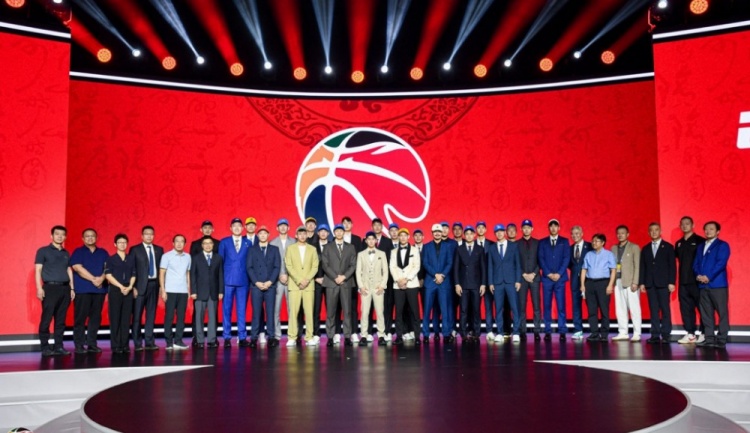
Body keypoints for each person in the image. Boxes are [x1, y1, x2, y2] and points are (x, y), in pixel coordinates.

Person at [35, 225, 75, 356]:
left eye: (62, 234)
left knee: (61, 320)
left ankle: (58, 346)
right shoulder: (43, 251)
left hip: (65, 288)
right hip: (50, 288)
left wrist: (72, 288)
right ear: (51, 236)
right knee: (46, 319)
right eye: (57, 234)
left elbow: (69, 270)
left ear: (65, 237)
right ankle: (45, 347)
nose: (59, 236)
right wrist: (39, 288)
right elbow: (38, 270)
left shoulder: (66, 253)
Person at [70, 228, 108, 354]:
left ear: (96, 238)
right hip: (83, 290)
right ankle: (79, 345)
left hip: (99, 290)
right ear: (83, 238)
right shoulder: (78, 251)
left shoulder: (103, 252)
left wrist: (101, 278)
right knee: (80, 318)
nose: (90, 238)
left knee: (95, 318)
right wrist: (94, 279)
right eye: (87, 236)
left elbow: (108, 268)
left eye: (92, 236)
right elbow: (77, 267)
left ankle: (92, 344)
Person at [693, 221, 731, 349]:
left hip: (717, 285)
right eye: (706, 229)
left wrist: (708, 277)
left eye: (711, 229)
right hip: (703, 286)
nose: (708, 231)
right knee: (706, 314)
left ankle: (721, 339)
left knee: (722, 312)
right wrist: (698, 275)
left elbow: (721, 263)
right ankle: (709, 338)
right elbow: (696, 263)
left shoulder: (722, 245)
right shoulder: (700, 246)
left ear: (717, 231)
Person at [639, 222, 676, 344]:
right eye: (651, 230)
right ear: (648, 232)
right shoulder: (645, 248)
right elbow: (643, 267)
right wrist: (642, 283)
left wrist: (671, 282)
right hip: (650, 284)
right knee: (653, 310)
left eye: (656, 230)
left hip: (664, 283)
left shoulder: (668, 247)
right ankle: (655, 334)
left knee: (665, 309)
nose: (654, 232)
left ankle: (666, 334)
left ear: (661, 231)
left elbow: (672, 266)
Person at [218, 218, 252, 347]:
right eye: (234, 226)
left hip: (243, 281)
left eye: (239, 226)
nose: (237, 228)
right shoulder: (224, 242)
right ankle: (227, 337)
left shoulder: (248, 242)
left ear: (243, 228)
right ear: (230, 228)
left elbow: (250, 262)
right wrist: (221, 282)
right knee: (226, 310)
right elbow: (220, 263)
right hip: (227, 281)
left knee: (241, 310)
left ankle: (242, 336)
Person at [322, 224, 358, 346]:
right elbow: (325, 265)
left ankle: (347, 336)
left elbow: (353, 265)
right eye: (336, 231)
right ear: (334, 233)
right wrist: (335, 277)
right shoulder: (327, 247)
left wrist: (344, 277)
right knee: (331, 312)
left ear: (344, 233)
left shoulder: (350, 247)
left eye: (340, 231)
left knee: (347, 311)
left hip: (346, 282)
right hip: (331, 283)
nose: (338, 233)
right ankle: (330, 336)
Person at [130, 225, 164, 351]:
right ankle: (137, 343)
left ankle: (149, 342)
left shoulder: (159, 250)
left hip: (154, 285)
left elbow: (161, 269)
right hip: (139, 286)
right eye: (146, 234)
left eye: (151, 234)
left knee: (151, 315)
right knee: (137, 316)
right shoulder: (135, 249)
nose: (149, 236)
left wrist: (161, 286)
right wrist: (133, 286)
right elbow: (131, 268)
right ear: (142, 236)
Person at [285, 226, 319, 347]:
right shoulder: (290, 249)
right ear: (296, 235)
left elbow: (315, 266)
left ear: (307, 235)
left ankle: (309, 336)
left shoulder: (312, 249)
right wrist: (299, 280)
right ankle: (292, 337)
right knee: (293, 313)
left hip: (309, 285)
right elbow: (289, 266)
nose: (302, 236)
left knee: (309, 312)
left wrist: (307, 280)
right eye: (300, 234)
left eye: (304, 234)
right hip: (295, 285)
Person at [487, 224, 522, 343]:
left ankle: (516, 332)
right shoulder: (492, 248)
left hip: (511, 281)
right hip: (497, 282)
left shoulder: (514, 246)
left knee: (514, 308)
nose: (499, 233)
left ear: (505, 233)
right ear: (495, 234)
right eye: (497, 232)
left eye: (501, 231)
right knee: (498, 309)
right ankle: (500, 332)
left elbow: (518, 264)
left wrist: (518, 280)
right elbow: (490, 266)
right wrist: (490, 282)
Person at [538, 219, 571, 341]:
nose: (553, 228)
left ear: (559, 228)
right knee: (546, 306)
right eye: (551, 226)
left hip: (560, 278)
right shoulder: (542, 242)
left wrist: (559, 273)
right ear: (548, 228)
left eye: (555, 226)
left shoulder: (564, 241)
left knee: (561, 306)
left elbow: (566, 258)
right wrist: (548, 273)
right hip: (547, 279)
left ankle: (562, 330)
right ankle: (547, 330)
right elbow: (541, 258)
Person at [247, 226, 280, 348]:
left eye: (265, 233)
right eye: (260, 233)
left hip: (270, 286)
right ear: (258, 235)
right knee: (256, 313)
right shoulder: (252, 250)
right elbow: (249, 267)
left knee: (270, 312)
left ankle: (271, 337)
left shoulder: (274, 249)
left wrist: (270, 281)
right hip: (256, 286)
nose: (262, 235)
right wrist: (256, 282)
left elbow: (277, 267)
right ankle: (254, 338)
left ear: (268, 235)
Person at [422, 224, 455, 343]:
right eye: (435, 232)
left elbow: (450, 263)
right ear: (432, 233)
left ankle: (446, 334)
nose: (437, 233)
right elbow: (425, 263)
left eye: (439, 232)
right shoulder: (426, 246)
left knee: (444, 310)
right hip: (430, 282)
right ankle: (426, 334)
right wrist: (435, 274)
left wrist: (442, 275)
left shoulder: (448, 246)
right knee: (427, 310)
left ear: (442, 233)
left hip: (444, 282)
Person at [580, 234, 617, 342]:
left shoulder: (609, 254)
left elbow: (613, 270)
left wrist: (610, 285)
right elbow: (584, 270)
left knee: (604, 310)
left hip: (603, 283)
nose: (594, 243)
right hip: (590, 283)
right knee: (591, 310)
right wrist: (582, 285)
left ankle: (604, 334)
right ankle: (594, 333)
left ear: (603, 242)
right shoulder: (588, 254)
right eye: (593, 241)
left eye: (596, 241)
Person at [452, 226, 486, 343]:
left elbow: (483, 268)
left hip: (476, 284)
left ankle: (476, 333)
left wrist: (483, 284)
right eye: (467, 234)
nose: (469, 236)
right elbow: (456, 268)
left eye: (471, 234)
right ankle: (463, 333)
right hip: (463, 284)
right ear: (464, 235)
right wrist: (457, 284)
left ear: (474, 235)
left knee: (476, 310)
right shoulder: (459, 249)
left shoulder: (480, 249)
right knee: (463, 310)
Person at [675, 216, 705, 344]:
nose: (685, 226)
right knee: (686, 308)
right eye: (682, 224)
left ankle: (704, 333)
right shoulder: (678, 243)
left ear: (693, 225)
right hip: (683, 281)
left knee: (702, 307)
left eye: (687, 223)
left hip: (697, 281)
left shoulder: (700, 241)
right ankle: (690, 333)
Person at [104, 234, 136, 354]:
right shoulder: (111, 259)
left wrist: (130, 287)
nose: (122, 244)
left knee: (126, 318)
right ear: (115, 244)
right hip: (116, 290)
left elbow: (134, 274)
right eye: (120, 242)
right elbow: (108, 275)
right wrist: (120, 286)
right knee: (115, 317)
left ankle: (125, 344)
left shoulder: (131, 258)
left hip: (128, 289)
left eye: (124, 242)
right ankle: (116, 345)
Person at [190, 237, 224, 349]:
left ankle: (211, 340)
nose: (208, 245)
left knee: (213, 317)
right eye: (205, 243)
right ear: (202, 245)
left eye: (210, 243)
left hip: (214, 292)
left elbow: (220, 275)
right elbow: (193, 275)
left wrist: (220, 291)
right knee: (199, 318)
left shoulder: (218, 258)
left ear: (213, 245)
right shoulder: (196, 258)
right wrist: (193, 291)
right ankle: (200, 340)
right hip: (199, 292)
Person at [356, 231, 389, 346]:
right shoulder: (361, 254)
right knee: (364, 312)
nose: (370, 241)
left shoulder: (382, 254)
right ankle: (363, 335)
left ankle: (381, 335)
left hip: (377, 287)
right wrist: (361, 286)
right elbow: (358, 271)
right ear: (366, 241)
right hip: (365, 288)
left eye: (372, 239)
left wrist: (382, 285)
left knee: (380, 312)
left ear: (376, 241)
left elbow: (385, 271)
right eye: (368, 239)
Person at [390, 228, 422, 345]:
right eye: (401, 236)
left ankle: (417, 335)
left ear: (408, 237)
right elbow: (392, 267)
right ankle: (399, 335)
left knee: (414, 311)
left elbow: (416, 266)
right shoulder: (394, 251)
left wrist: (406, 279)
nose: (403, 238)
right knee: (398, 312)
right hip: (398, 285)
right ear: (398, 237)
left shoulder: (415, 250)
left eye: (405, 235)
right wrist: (399, 280)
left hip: (411, 284)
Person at [160, 234, 192, 350]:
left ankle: (178, 340)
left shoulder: (188, 257)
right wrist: (163, 290)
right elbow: (162, 273)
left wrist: (188, 289)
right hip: (170, 290)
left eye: (181, 241)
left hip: (183, 291)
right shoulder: (166, 256)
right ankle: (169, 342)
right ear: (173, 243)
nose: (179, 243)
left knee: (181, 317)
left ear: (185, 244)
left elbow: (187, 273)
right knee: (169, 316)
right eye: (177, 241)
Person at [611, 225, 642, 342]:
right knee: (620, 308)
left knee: (634, 308)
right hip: (618, 281)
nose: (620, 235)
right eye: (618, 233)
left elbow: (637, 266)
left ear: (627, 234)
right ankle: (623, 332)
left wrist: (635, 282)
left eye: (623, 233)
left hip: (630, 282)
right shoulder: (613, 248)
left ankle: (637, 333)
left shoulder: (634, 247)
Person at [270, 218, 295, 344]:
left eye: (285, 225)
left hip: (292, 280)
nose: (283, 227)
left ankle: (292, 335)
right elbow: (271, 262)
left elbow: (297, 262)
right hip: (277, 280)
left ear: (289, 228)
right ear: (277, 228)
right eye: (281, 226)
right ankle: (277, 335)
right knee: (276, 309)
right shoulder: (272, 243)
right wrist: (280, 275)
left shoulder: (294, 242)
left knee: (292, 309)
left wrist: (290, 276)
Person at [518, 219, 541, 341]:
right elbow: (516, 262)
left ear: (532, 229)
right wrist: (523, 274)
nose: (526, 230)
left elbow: (541, 260)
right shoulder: (516, 244)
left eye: (528, 227)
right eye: (524, 227)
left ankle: (537, 330)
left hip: (534, 278)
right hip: (522, 279)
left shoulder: (538, 243)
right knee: (521, 306)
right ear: (521, 229)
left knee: (536, 305)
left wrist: (533, 274)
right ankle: (522, 330)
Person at [568, 225, 592, 340]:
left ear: (582, 234)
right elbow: (569, 264)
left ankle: (594, 330)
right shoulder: (569, 248)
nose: (575, 236)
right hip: (574, 281)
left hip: (588, 281)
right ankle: (578, 330)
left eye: (577, 233)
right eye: (573, 234)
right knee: (576, 306)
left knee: (591, 305)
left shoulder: (590, 246)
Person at [342, 216, 363, 340]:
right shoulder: (336, 239)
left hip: (354, 277)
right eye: (343, 223)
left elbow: (359, 258)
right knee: (340, 306)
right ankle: (339, 333)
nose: (346, 225)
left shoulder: (357, 239)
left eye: (348, 223)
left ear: (352, 224)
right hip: (340, 278)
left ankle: (354, 332)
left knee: (353, 306)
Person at [476, 221, 498, 340]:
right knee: (475, 307)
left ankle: (489, 330)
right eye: (478, 227)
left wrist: (491, 281)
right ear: (476, 230)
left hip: (489, 280)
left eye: (482, 228)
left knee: (489, 306)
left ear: (485, 230)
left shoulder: (492, 244)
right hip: (475, 281)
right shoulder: (471, 244)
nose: (480, 230)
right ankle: (476, 330)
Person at [313, 224, 332, 341]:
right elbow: (309, 264)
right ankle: (316, 333)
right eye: (321, 231)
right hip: (316, 281)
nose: (323, 233)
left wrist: (328, 278)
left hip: (330, 281)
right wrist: (316, 278)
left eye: (325, 231)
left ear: (328, 234)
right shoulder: (312, 247)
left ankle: (331, 334)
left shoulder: (332, 246)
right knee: (316, 309)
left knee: (331, 308)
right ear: (318, 233)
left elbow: (335, 265)